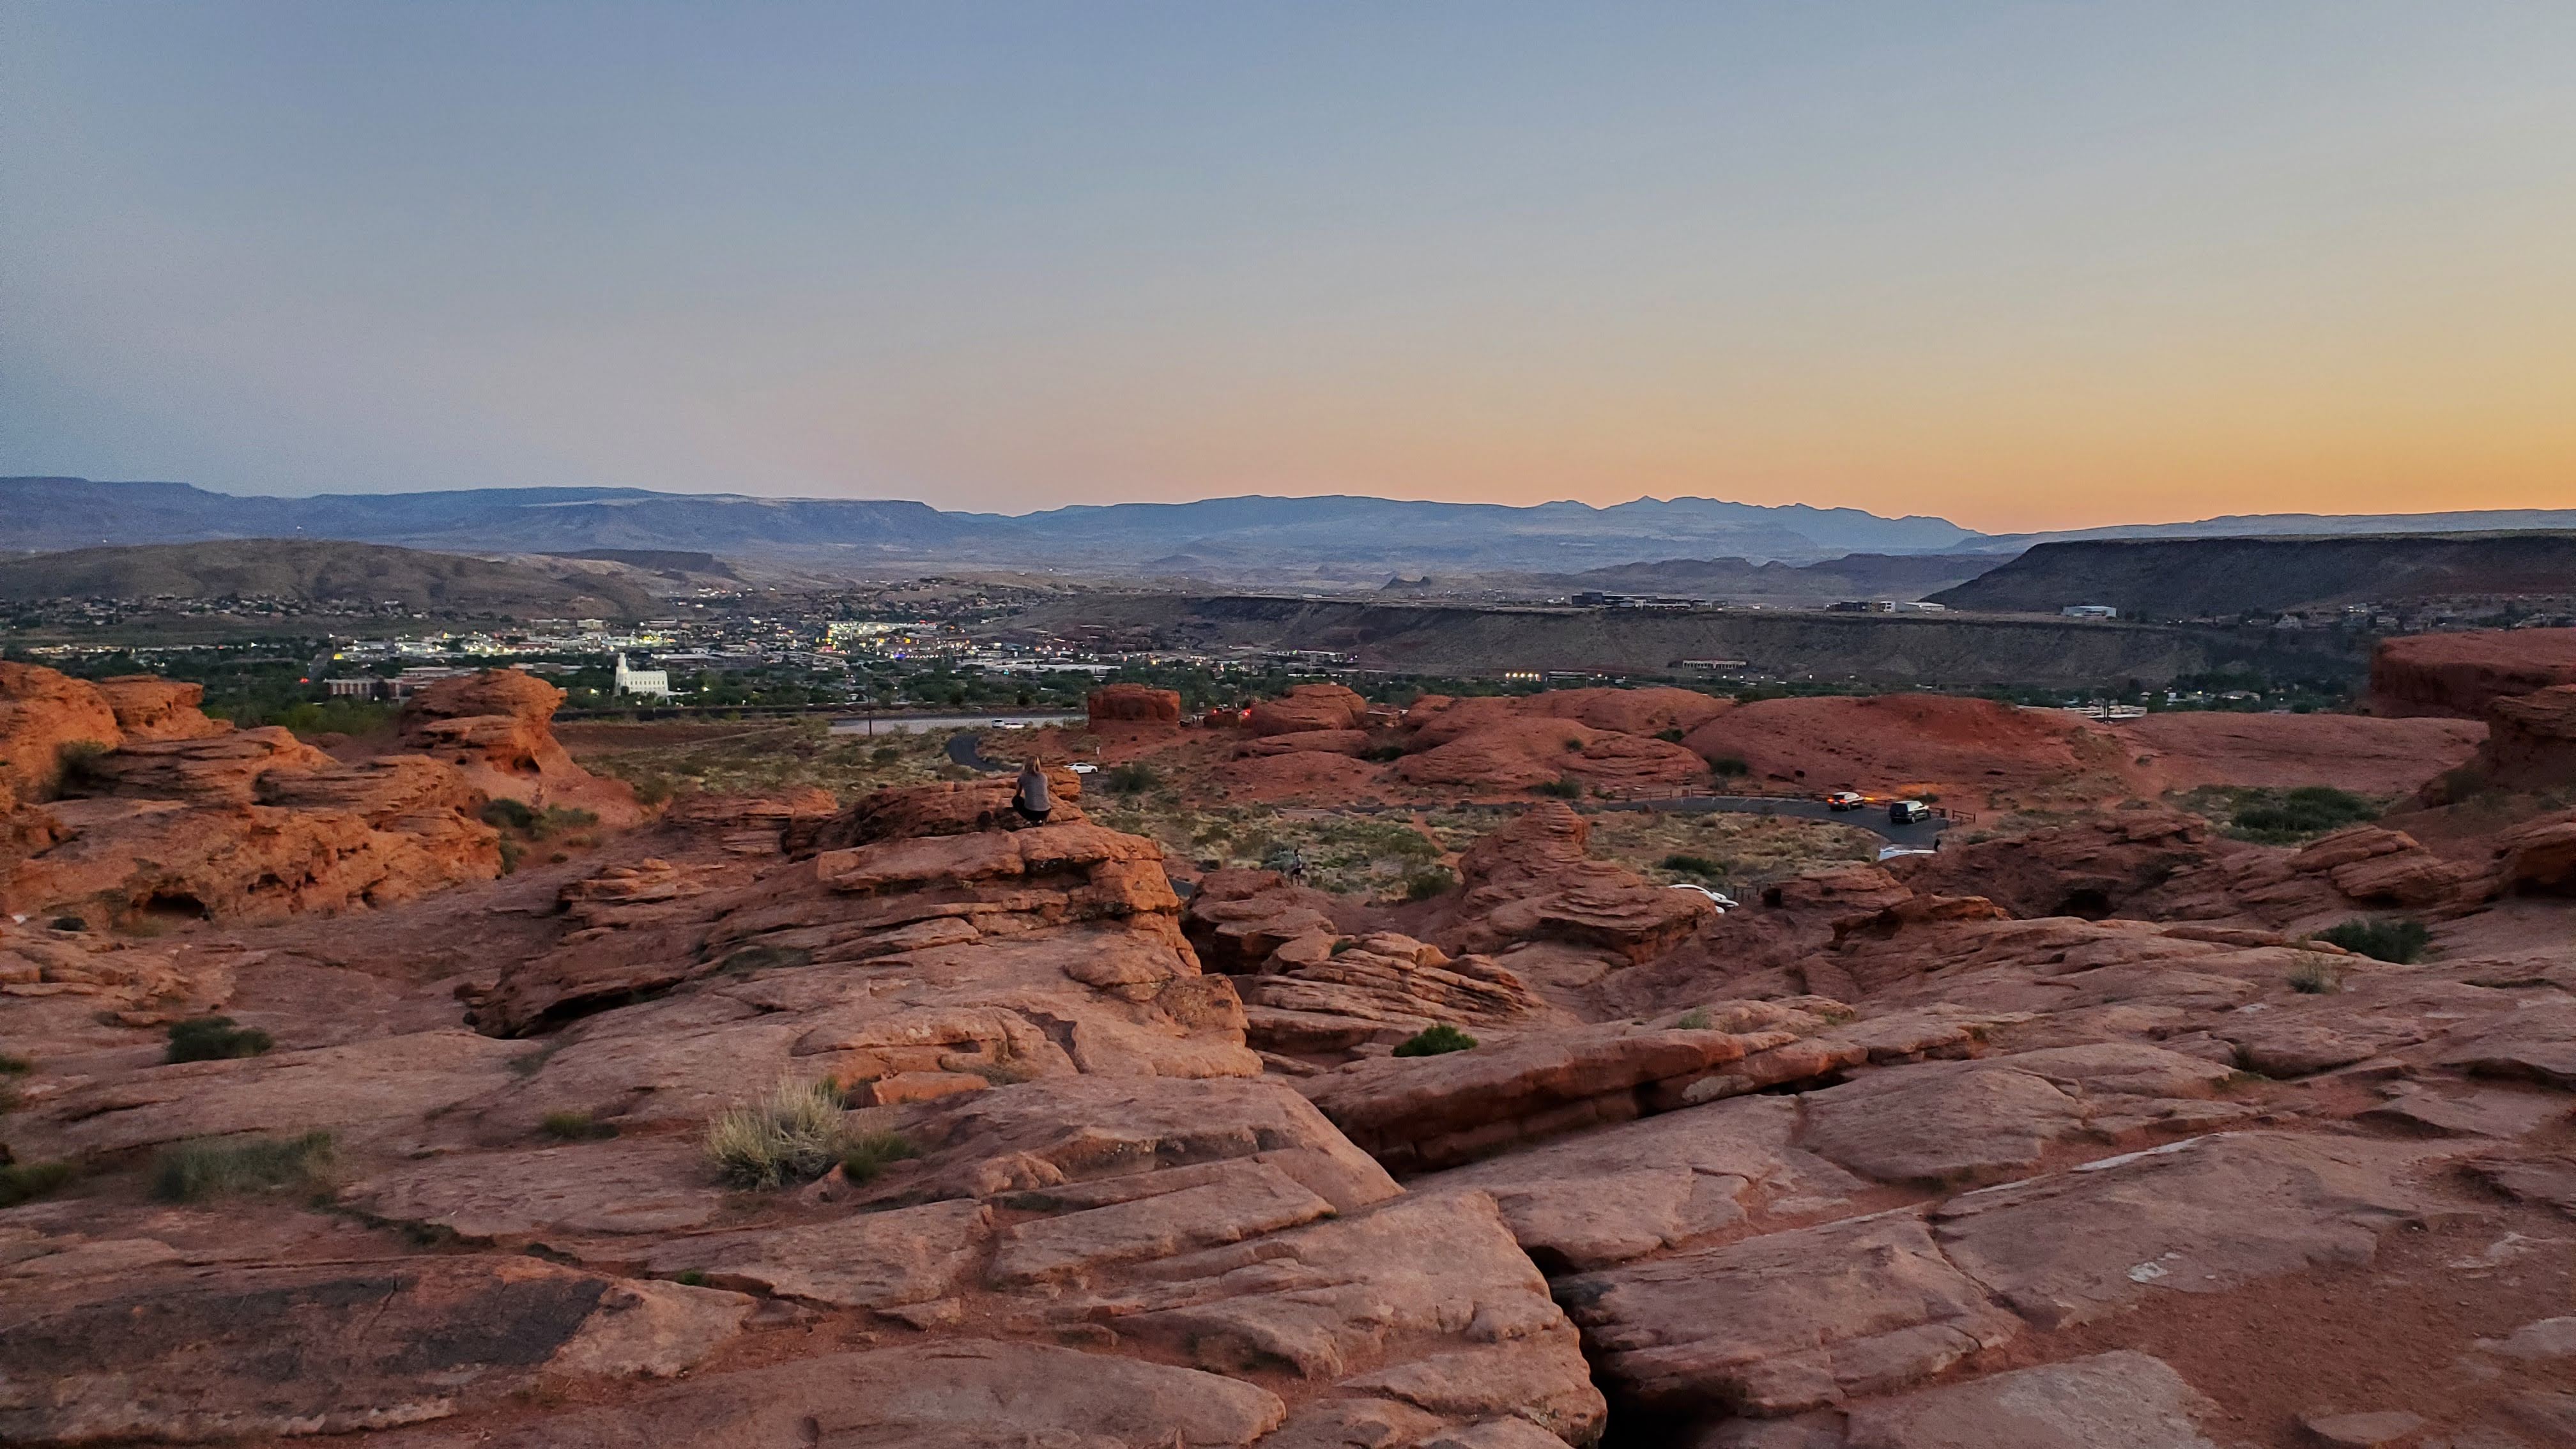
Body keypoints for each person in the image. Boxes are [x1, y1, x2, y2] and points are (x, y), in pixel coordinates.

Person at [1013, 759, 1052, 824]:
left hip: (1031, 812)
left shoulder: (1023, 776)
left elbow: (1018, 793)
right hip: (1046, 812)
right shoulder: (1044, 776)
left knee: (1016, 800)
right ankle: (1040, 820)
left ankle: (1030, 820)